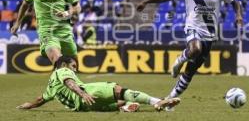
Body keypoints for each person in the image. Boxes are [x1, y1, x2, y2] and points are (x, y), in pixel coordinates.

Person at [137, 0, 243, 104]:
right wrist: (146, 2)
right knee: (195, 49)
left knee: (189, 72)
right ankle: (179, 60)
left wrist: (238, 15)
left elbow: (235, 2)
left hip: (210, 34)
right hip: (193, 27)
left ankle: (168, 100)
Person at [16, 56, 180, 112]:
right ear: (65, 65)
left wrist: (27, 105)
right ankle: (158, 102)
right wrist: (83, 93)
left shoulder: (50, 85)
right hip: (87, 95)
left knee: (119, 102)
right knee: (118, 90)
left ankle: (127, 107)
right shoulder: (62, 71)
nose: (75, 69)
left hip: (86, 107)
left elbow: (40, 99)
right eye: (74, 66)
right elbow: (70, 83)